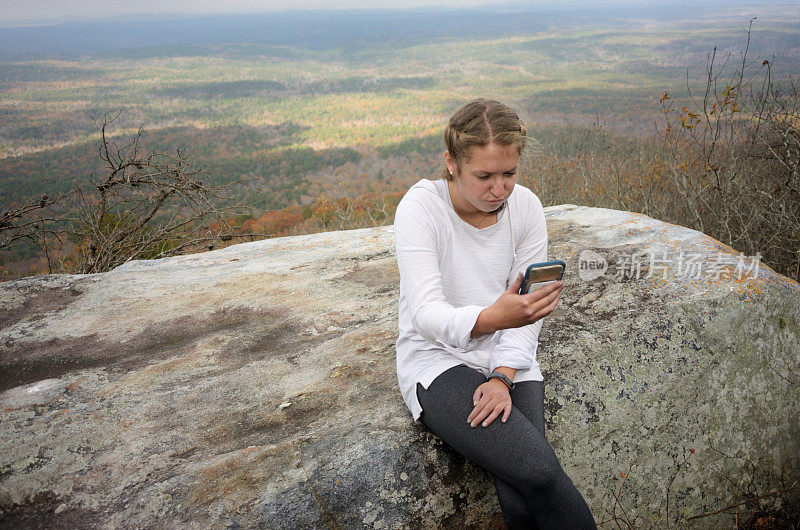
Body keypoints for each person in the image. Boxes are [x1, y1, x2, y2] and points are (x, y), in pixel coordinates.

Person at [393, 98, 597, 529]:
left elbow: (529, 311)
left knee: (520, 485)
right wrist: (494, 318)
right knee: (538, 472)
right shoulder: (421, 209)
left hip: (508, 354)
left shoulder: (526, 208)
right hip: (437, 358)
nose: (499, 189)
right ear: (451, 163)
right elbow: (426, 314)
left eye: (509, 174)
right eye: (483, 176)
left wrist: (503, 375)